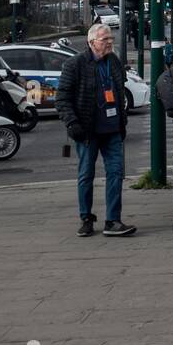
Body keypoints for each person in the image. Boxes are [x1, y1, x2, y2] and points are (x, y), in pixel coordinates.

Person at [55, 23, 136, 236]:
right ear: (92, 42)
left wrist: (122, 121)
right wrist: (72, 124)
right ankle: (86, 218)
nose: (110, 42)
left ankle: (113, 220)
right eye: (105, 39)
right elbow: (62, 98)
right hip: (87, 131)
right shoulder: (75, 64)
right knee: (86, 175)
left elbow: (119, 94)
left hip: (113, 130)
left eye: (111, 38)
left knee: (116, 173)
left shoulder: (114, 62)